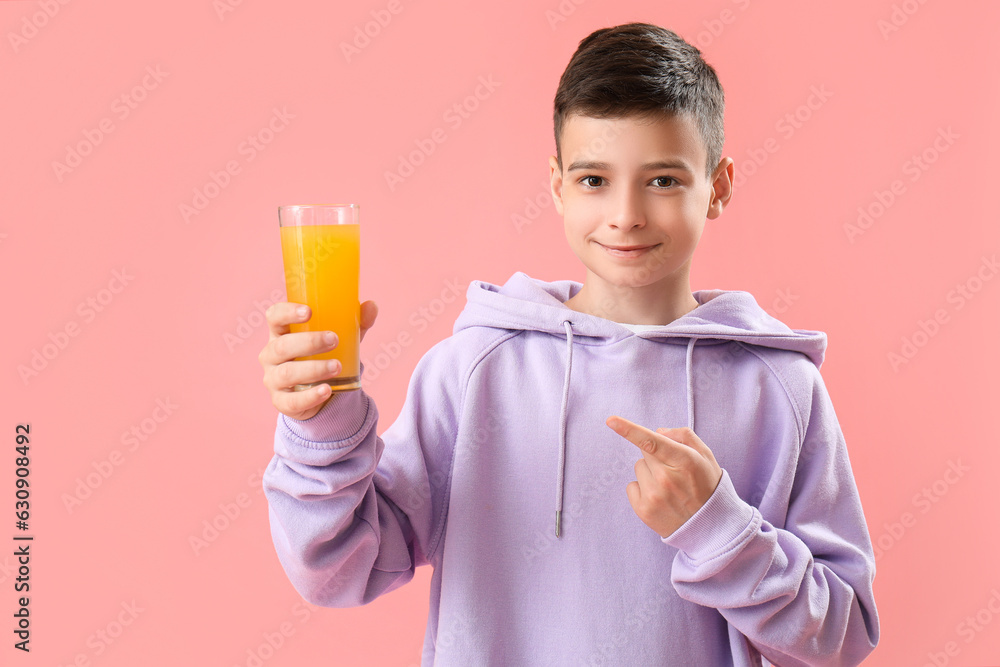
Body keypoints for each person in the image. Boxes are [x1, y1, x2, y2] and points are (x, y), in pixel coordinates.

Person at [258, 22, 880, 666]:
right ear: (557, 185)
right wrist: (322, 425)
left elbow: (839, 642)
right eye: (593, 181)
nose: (626, 214)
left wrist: (722, 531)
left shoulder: (781, 388)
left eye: (663, 180)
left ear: (717, 186)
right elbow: (339, 571)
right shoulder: (473, 371)